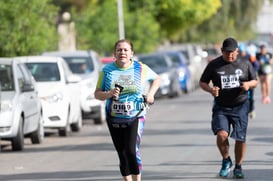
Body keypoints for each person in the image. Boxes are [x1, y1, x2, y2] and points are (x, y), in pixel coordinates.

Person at [94, 39, 160, 181]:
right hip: (113, 117)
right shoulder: (106, 71)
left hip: (136, 115)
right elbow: (97, 94)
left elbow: (156, 79)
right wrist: (109, 94)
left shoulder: (140, 68)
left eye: (125, 50)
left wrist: (150, 95)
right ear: (114, 53)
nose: (122, 52)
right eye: (119, 50)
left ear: (131, 53)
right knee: (122, 153)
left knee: (131, 151)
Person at [199, 37, 258, 178]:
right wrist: (211, 90)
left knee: (240, 138)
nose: (230, 55)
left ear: (237, 51)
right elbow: (202, 82)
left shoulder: (245, 64)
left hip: (240, 105)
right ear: (222, 51)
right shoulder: (214, 65)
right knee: (221, 134)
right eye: (226, 52)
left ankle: (238, 166)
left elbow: (255, 81)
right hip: (221, 106)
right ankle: (226, 160)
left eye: (232, 52)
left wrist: (248, 85)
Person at [238, 43, 259, 119]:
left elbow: (256, 65)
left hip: (250, 80)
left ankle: (251, 110)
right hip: (241, 81)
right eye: (240, 51)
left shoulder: (250, 57)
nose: (241, 53)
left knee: (250, 97)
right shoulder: (237, 58)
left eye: (242, 51)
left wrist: (252, 72)